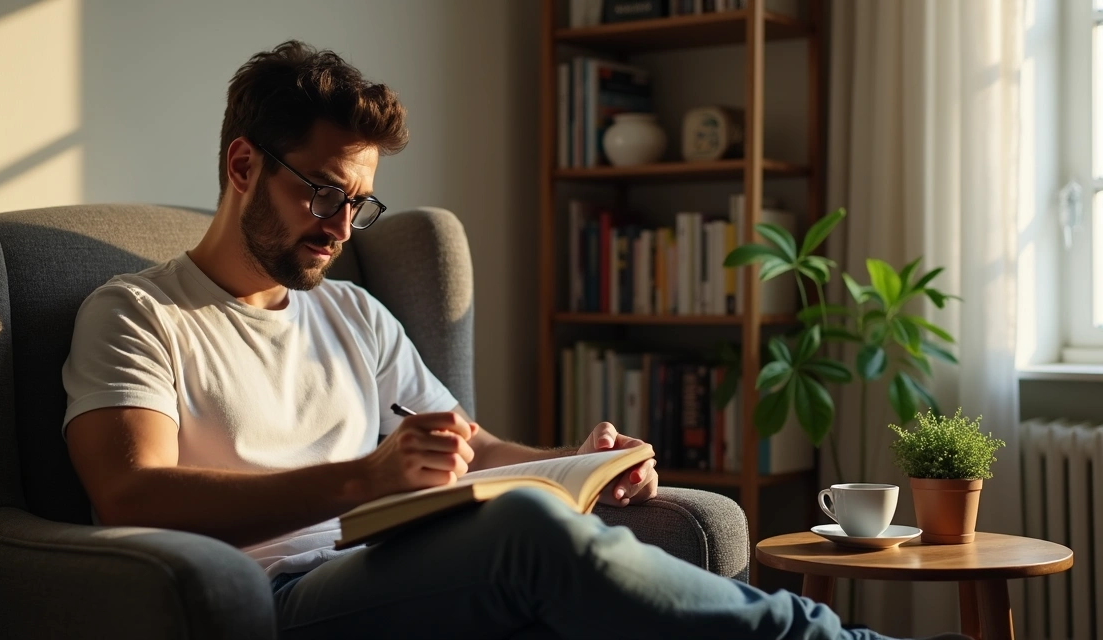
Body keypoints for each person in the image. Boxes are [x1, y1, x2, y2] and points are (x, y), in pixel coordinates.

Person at [62, 40, 961, 640]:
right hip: (274, 597)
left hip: (382, 563)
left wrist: (575, 462)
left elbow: (474, 447)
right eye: (323, 192)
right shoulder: (138, 314)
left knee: (540, 510)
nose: (341, 225)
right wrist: (362, 478)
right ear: (243, 165)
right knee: (526, 531)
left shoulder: (355, 314)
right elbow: (132, 495)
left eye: (359, 202)